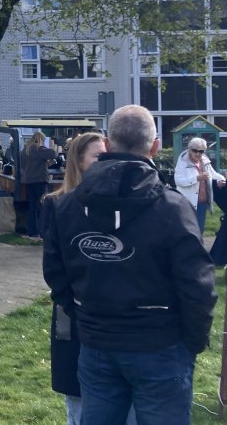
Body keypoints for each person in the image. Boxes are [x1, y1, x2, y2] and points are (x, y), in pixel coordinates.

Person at [43, 105, 215, 424]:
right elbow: (198, 286)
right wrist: (192, 340)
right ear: (155, 146)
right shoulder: (173, 207)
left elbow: (57, 277)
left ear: (107, 144)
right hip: (153, 342)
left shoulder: (65, 205)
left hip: (104, 341)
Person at [42, 132, 140, 425]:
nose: (107, 163)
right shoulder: (56, 205)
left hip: (120, 322)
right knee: (80, 396)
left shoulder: (127, 202)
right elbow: (54, 269)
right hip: (74, 314)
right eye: (98, 156)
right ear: (79, 162)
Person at [173, 137, 226, 234]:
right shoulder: (182, 162)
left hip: (202, 203)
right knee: (187, 230)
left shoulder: (204, 160)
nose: (198, 154)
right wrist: (196, 178)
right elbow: (178, 181)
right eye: (195, 151)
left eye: (201, 151)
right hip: (187, 203)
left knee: (200, 229)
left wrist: (221, 179)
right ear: (189, 150)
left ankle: (197, 249)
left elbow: (213, 174)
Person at [17, 132, 58, 241]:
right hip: (40, 180)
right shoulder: (39, 149)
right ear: (41, 140)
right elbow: (54, 154)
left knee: (32, 206)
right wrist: (51, 145)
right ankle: (41, 231)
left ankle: (32, 231)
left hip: (29, 181)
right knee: (41, 206)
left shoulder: (25, 151)